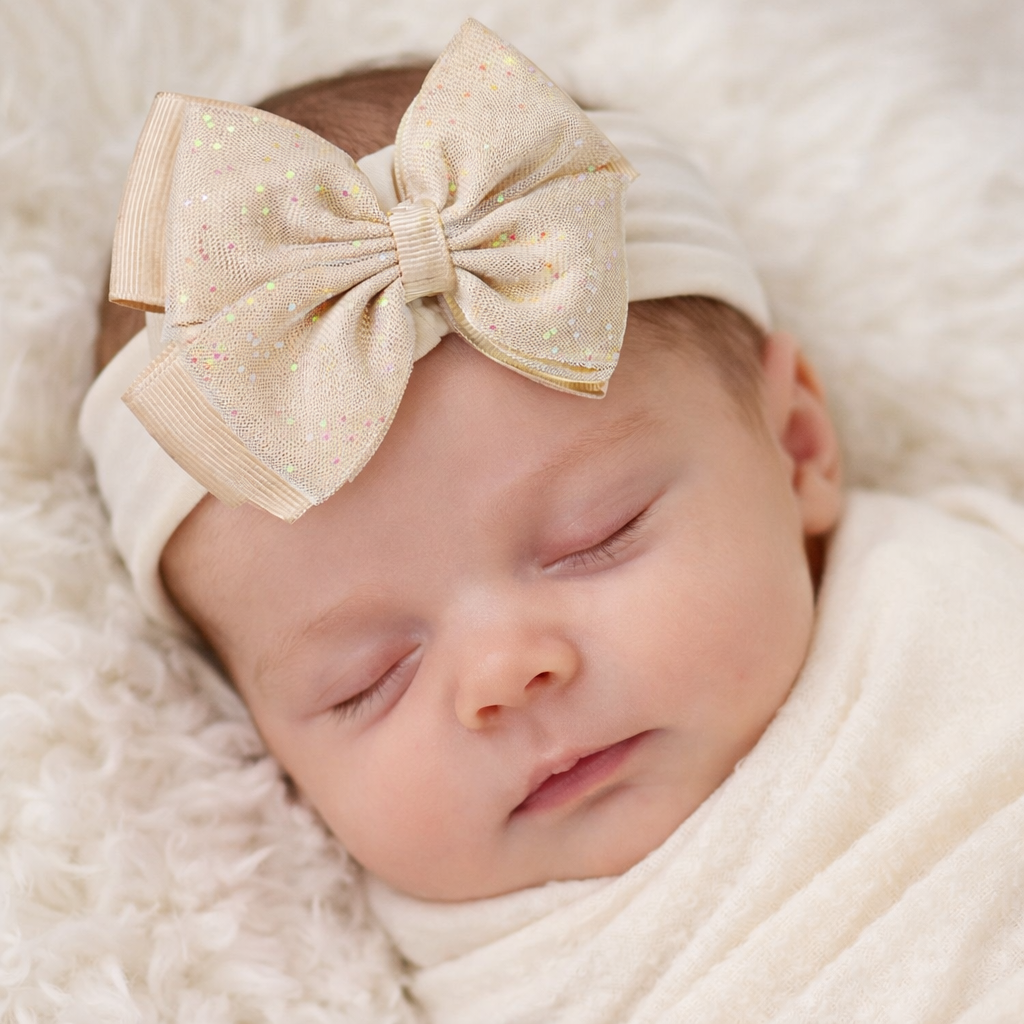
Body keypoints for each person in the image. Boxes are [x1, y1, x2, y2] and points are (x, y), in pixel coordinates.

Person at [82, 19, 1024, 1022]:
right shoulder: (346, 970)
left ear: (796, 448)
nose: (504, 673)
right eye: (367, 679)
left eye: (594, 539)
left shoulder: (947, 608)